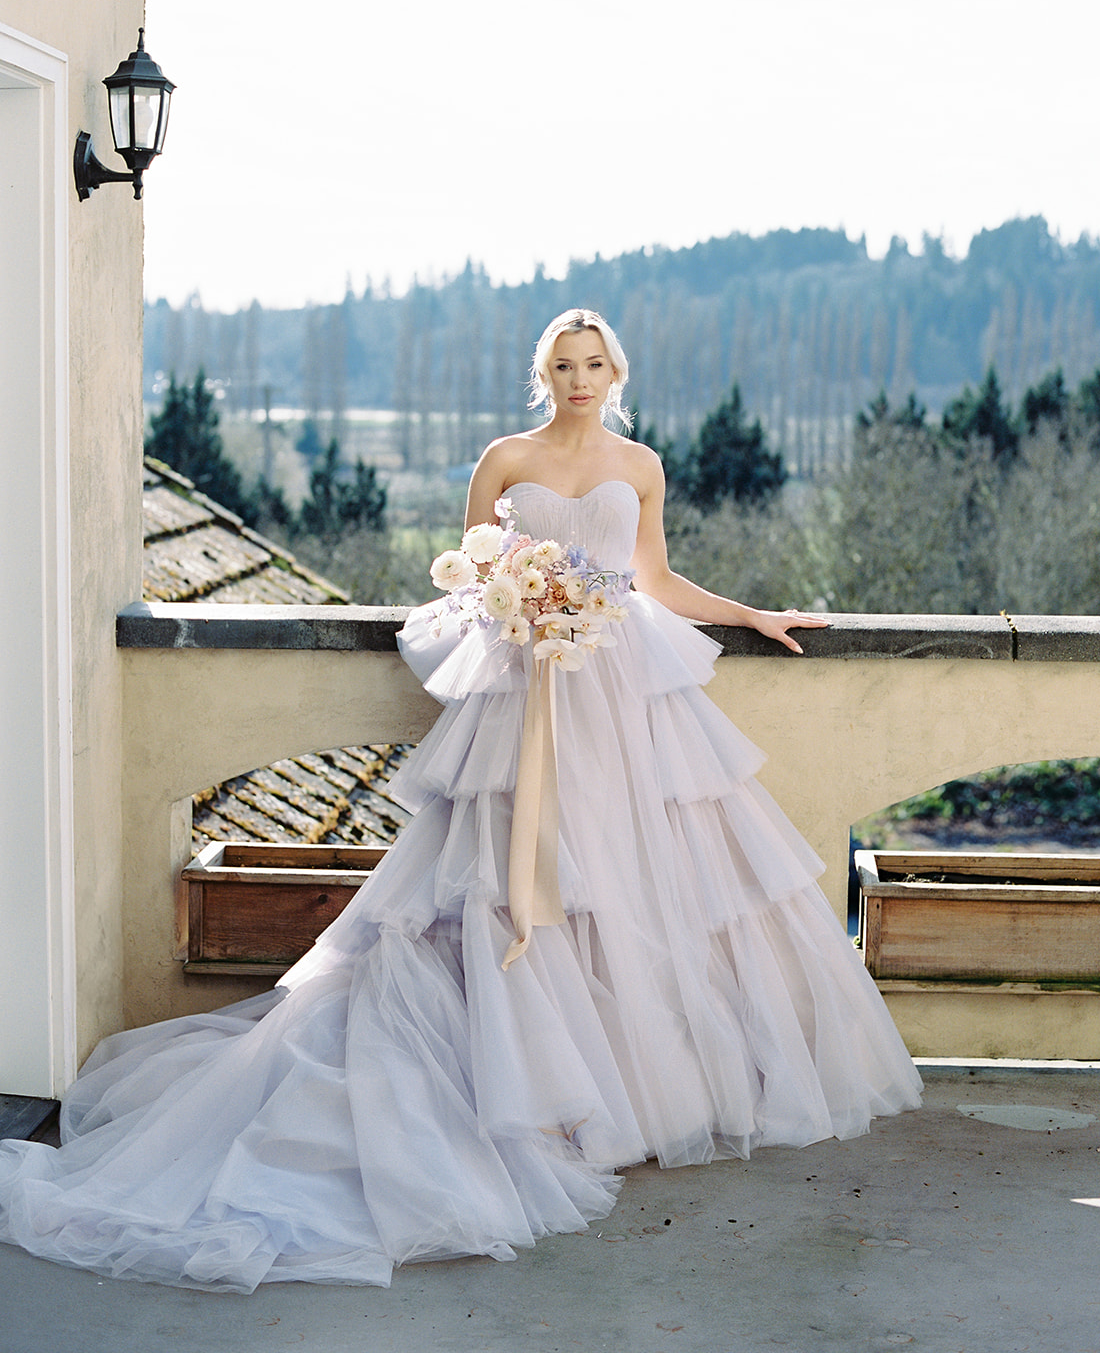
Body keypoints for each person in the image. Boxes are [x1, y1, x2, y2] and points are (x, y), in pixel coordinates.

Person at [0, 308, 920, 1293]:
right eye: (563, 364)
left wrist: (750, 615)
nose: (579, 377)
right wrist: (520, 604)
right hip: (523, 693)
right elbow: (474, 574)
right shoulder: (502, 457)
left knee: (621, 878)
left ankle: (611, 1094)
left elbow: (649, 577)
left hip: (618, 698)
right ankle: (514, 1083)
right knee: (497, 885)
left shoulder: (640, 464)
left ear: (616, 370)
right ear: (545, 373)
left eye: (593, 362)